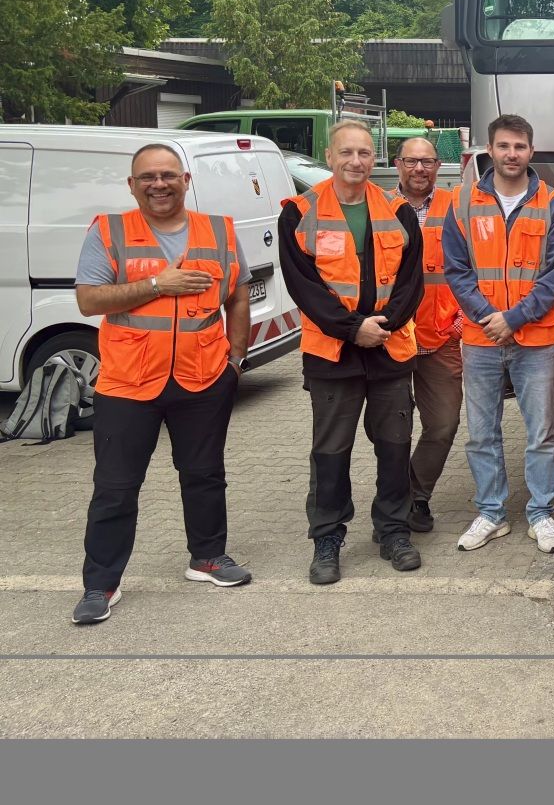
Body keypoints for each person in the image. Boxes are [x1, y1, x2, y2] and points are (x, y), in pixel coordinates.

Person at [71, 144, 252, 624]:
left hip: (203, 377)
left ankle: (208, 557)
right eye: (147, 177)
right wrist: (156, 285)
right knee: (115, 486)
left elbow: (237, 295)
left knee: (205, 474)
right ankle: (101, 585)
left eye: (168, 175)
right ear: (132, 185)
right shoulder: (109, 231)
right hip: (129, 383)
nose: (159, 184)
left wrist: (235, 358)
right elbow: (89, 300)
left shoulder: (220, 230)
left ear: (185, 180)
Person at [280, 121, 424, 585]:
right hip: (332, 355)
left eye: (364, 152)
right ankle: (327, 537)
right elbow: (304, 287)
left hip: (389, 348)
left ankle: (394, 531)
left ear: (374, 158)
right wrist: (351, 329)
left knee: (395, 447)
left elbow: (410, 283)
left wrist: (382, 327)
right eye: (347, 152)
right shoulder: (299, 212)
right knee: (330, 451)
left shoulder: (398, 211)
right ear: (329, 156)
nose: (356, 161)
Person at [443, 114, 554, 555]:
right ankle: (491, 513)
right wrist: (489, 318)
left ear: (531, 152)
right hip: (481, 340)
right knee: (481, 433)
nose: (511, 154)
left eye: (519, 147)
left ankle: (541, 514)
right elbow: (457, 272)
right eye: (503, 146)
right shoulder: (461, 201)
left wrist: (513, 319)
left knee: (541, 433)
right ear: (490, 150)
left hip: (535, 340)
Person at [389, 136, 462, 533]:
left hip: (442, 336)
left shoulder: (458, 207)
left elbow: (477, 265)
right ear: (397, 164)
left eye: (428, 162)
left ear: (439, 166)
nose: (420, 169)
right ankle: (396, 504)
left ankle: (415, 494)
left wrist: (464, 319)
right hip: (391, 338)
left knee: (444, 423)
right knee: (393, 428)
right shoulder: (380, 208)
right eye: (412, 161)